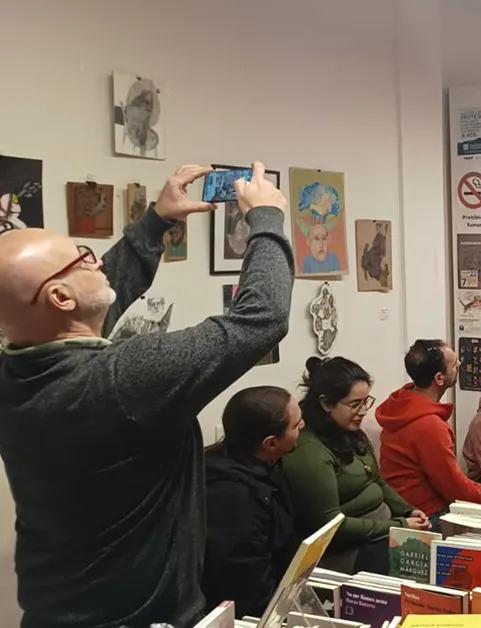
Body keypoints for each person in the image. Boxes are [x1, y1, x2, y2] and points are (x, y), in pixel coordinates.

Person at [0, 163, 291, 628]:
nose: (95, 259)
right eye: (82, 256)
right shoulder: (123, 381)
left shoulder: (16, 372)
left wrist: (157, 221)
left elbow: (88, 307)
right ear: (58, 295)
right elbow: (261, 319)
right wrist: (267, 220)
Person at [280, 357, 430, 575]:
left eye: (365, 401)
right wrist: (399, 525)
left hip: (380, 532)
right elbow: (332, 526)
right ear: (326, 404)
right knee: (418, 568)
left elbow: (377, 481)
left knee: (433, 555)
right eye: (354, 404)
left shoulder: (349, 433)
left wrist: (408, 510)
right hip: (344, 552)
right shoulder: (310, 452)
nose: (363, 411)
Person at [203, 386, 304, 617]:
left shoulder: (266, 466)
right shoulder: (233, 498)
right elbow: (247, 584)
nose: (303, 427)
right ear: (270, 443)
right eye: (296, 425)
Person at [378, 340, 481, 520]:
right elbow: (454, 488)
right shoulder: (429, 426)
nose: (459, 364)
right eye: (454, 364)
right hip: (427, 514)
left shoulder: (402, 405)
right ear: (439, 378)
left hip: (409, 508)